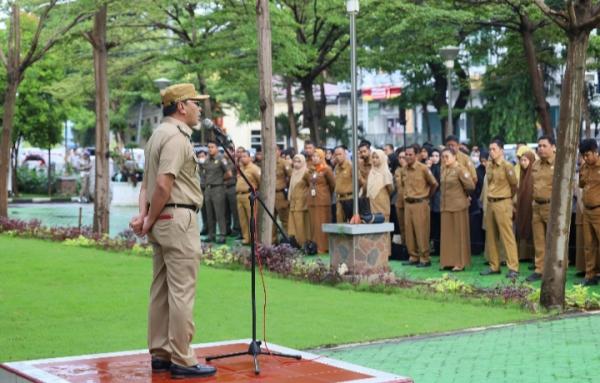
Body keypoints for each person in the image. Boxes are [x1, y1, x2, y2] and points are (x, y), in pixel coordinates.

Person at [129, 83, 216, 379]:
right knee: (181, 291)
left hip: (163, 218)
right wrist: (148, 221)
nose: (199, 107)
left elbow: (146, 186)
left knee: (161, 289)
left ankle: (161, 354)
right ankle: (183, 357)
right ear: (181, 106)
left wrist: (144, 218)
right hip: (178, 218)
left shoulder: (156, 136)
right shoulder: (178, 138)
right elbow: (163, 185)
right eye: (195, 102)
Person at [480, 139, 519, 279]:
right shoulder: (489, 166)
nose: (491, 152)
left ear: (501, 150)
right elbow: (490, 183)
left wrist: (507, 198)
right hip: (490, 202)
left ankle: (513, 267)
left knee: (507, 236)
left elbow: (514, 185)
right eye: (490, 149)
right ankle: (494, 266)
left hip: (503, 202)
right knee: (491, 236)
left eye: (494, 149)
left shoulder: (507, 166)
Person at [402, 144, 438, 267]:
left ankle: (424, 258)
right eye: (406, 154)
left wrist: (427, 196)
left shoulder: (423, 168)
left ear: (417, 155)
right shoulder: (404, 169)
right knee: (409, 231)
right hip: (408, 204)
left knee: (421, 231)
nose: (407, 157)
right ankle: (413, 256)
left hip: (420, 203)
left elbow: (434, 184)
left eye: (410, 154)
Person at [526, 135, 556, 282]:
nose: (541, 149)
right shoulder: (536, 165)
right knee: (538, 239)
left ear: (553, 147)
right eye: (539, 146)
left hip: (552, 206)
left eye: (544, 146)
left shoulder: (559, 163)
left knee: (554, 240)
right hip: (537, 205)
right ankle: (539, 269)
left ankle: (556, 269)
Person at [439, 148, 475, 271]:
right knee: (447, 235)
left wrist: (465, 195)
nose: (444, 159)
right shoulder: (443, 169)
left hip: (458, 205)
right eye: (443, 157)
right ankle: (448, 261)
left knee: (459, 235)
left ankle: (460, 263)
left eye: (447, 156)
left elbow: (470, 185)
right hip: (446, 206)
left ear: (455, 157)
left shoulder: (460, 169)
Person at [200, 140, 231, 244]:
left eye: (212, 147)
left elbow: (229, 173)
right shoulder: (206, 160)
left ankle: (222, 235)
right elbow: (203, 173)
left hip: (218, 188)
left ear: (217, 148)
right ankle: (211, 235)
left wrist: (220, 180)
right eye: (208, 147)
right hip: (208, 189)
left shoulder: (221, 159)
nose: (210, 149)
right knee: (209, 213)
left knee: (219, 213)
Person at [305, 148, 335, 253]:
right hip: (312, 201)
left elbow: (333, 185)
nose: (314, 158)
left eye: (316, 156)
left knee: (321, 223)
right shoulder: (311, 170)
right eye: (313, 156)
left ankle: (323, 247)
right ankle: (314, 246)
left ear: (322, 157)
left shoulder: (326, 169)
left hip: (322, 201)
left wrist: (325, 194)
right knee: (314, 225)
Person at [579, 138, 600, 285]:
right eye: (583, 156)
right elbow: (581, 185)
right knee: (589, 245)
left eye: (587, 155)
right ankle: (590, 275)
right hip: (587, 211)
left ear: (595, 152)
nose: (585, 158)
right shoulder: (584, 167)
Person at [236, 150, 261, 245]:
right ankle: (246, 238)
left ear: (250, 158)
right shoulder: (241, 168)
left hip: (249, 195)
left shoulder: (255, 168)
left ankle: (254, 239)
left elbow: (260, 182)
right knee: (243, 219)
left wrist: (256, 193)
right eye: (241, 156)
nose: (242, 158)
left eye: (245, 156)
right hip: (239, 195)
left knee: (252, 218)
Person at [515, 149, 536, 262]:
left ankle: (533, 256)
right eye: (521, 160)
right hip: (523, 208)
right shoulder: (523, 175)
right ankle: (524, 255)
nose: (522, 163)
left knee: (532, 231)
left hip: (531, 208)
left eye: (525, 160)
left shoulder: (533, 175)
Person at [288, 154, 311, 247]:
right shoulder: (294, 172)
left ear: (303, 162)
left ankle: (303, 243)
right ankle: (296, 243)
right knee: (293, 224)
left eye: (299, 161)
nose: (296, 164)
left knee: (301, 224)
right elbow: (291, 186)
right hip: (293, 202)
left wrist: (306, 198)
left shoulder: (306, 172)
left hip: (302, 203)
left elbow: (311, 186)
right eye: (295, 161)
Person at [367, 149, 394, 221]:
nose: (374, 160)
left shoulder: (385, 172)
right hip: (372, 203)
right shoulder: (371, 172)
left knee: (383, 223)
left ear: (382, 158)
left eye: (377, 157)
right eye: (373, 157)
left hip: (383, 202)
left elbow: (390, 189)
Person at [223, 147, 241, 238]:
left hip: (232, 187)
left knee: (234, 210)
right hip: (223, 187)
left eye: (228, 151)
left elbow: (229, 175)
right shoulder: (222, 162)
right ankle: (227, 228)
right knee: (225, 210)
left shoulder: (235, 162)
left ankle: (236, 228)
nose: (226, 153)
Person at [274, 145, 291, 238]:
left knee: (285, 219)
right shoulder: (266, 163)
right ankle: (272, 242)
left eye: (275, 150)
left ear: (279, 152)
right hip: (269, 196)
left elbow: (291, 176)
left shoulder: (284, 163)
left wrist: (286, 188)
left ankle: (287, 239)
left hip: (280, 194)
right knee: (270, 219)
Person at [334, 146, 353, 223]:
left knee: (351, 222)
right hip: (339, 199)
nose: (338, 157)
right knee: (340, 223)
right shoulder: (336, 168)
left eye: (340, 154)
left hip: (349, 198)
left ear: (345, 154)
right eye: (336, 155)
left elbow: (359, 181)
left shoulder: (351, 166)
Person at [429, 148, 442, 255]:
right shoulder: (429, 168)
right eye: (433, 155)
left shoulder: (439, 168)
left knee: (438, 225)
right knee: (434, 225)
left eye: (437, 155)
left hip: (438, 200)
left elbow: (436, 184)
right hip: (432, 202)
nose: (434, 158)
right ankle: (435, 247)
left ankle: (438, 248)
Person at [394, 150, 407, 242]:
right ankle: (405, 247)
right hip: (399, 201)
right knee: (402, 226)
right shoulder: (397, 170)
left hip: (410, 201)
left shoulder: (412, 169)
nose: (401, 159)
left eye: (403, 157)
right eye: (400, 157)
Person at [196, 150, 209, 235]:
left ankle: (211, 229)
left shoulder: (209, 165)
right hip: (200, 190)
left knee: (210, 211)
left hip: (208, 189)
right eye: (200, 156)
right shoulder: (197, 167)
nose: (201, 158)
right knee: (203, 210)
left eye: (203, 156)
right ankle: (205, 227)